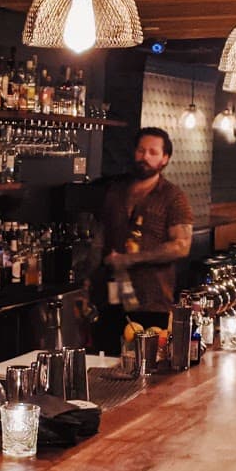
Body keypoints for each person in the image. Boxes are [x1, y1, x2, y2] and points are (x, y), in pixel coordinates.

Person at [91, 126, 193, 354]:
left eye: (153, 152)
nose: (145, 156)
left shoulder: (173, 197)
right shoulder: (115, 191)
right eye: (141, 150)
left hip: (152, 299)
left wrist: (131, 259)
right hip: (110, 298)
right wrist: (87, 281)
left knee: (149, 366)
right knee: (106, 363)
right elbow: (100, 236)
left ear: (165, 158)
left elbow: (182, 246)